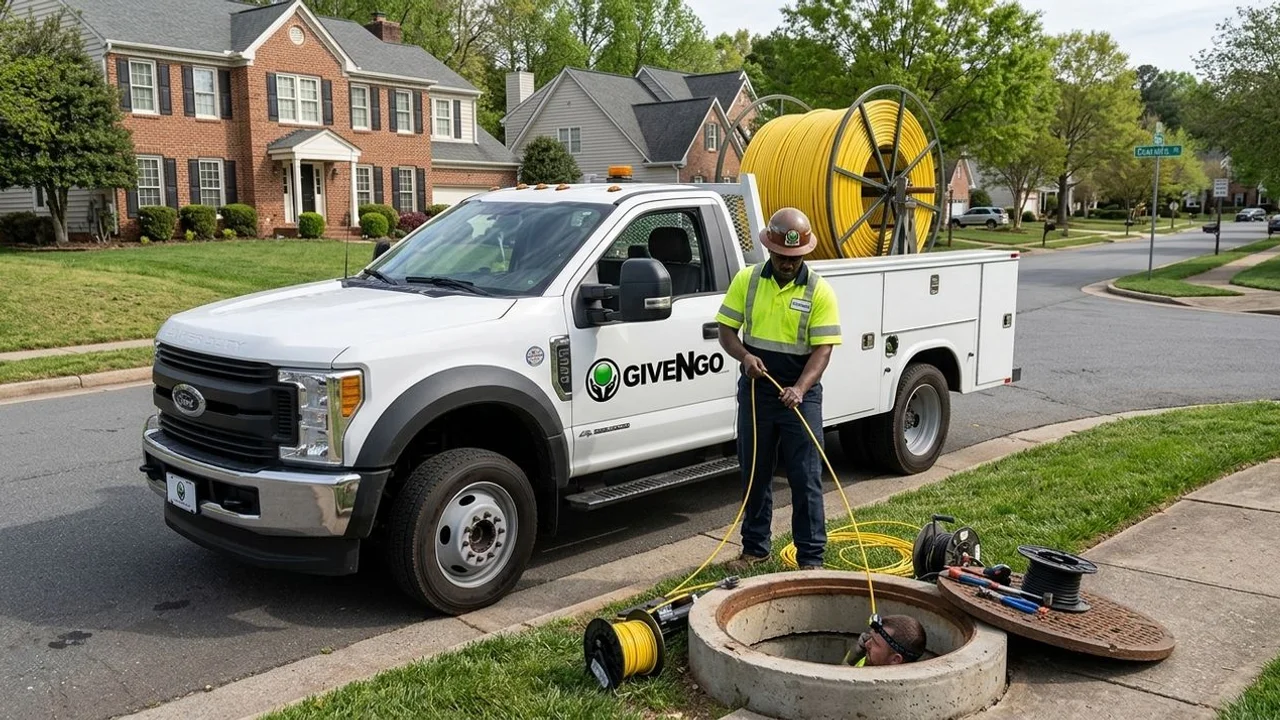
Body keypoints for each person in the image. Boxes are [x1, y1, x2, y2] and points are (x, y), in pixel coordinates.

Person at [715, 207, 842, 572]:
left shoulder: (819, 290)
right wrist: (744, 356)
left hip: (800, 396)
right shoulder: (748, 280)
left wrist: (800, 389)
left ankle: (811, 559)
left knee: (805, 477)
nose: (788, 263)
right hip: (758, 392)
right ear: (769, 248)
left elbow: (823, 350)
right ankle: (755, 549)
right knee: (754, 473)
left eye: (796, 257)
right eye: (783, 256)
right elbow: (726, 331)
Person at [845, 614, 928, 667]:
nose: (866, 644)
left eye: (875, 643)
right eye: (870, 637)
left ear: (895, 659)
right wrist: (851, 659)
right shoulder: (866, 659)